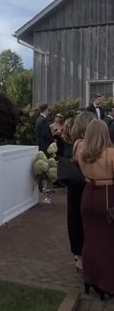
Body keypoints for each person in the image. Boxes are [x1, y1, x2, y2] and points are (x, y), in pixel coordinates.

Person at [78, 119, 114, 299]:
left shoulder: (82, 153)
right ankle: (106, 283)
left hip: (88, 195)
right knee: (108, 242)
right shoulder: (111, 154)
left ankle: (90, 278)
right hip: (106, 198)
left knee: (90, 239)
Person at [66, 111, 94, 272]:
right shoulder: (82, 144)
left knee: (75, 219)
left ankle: (79, 255)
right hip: (81, 186)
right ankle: (80, 257)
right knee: (78, 220)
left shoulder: (78, 142)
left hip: (76, 187)